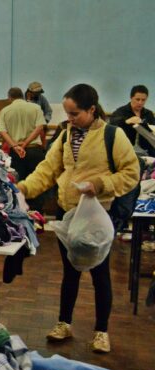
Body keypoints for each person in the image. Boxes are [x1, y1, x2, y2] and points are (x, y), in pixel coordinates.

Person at [17, 84, 139, 353]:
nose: (69, 118)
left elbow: (131, 173)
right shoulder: (64, 136)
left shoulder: (112, 135)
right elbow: (48, 170)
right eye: (68, 114)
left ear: (92, 110)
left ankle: (101, 331)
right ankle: (64, 323)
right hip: (68, 213)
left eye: (75, 114)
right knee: (70, 272)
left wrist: (100, 183)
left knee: (100, 275)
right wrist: (24, 188)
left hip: (97, 216)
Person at [0, 87, 46, 180]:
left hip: (16, 153)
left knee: (19, 184)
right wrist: (25, 143)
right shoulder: (36, 108)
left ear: (9, 97)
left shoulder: (5, 110)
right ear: (22, 96)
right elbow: (40, 127)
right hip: (35, 151)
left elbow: (2, 131)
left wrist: (15, 146)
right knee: (36, 183)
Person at [111, 85, 155, 157]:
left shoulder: (149, 114)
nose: (140, 103)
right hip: (125, 152)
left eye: (143, 100)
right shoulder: (121, 111)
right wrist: (126, 121)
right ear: (131, 98)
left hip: (148, 152)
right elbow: (112, 124)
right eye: (137, 99)